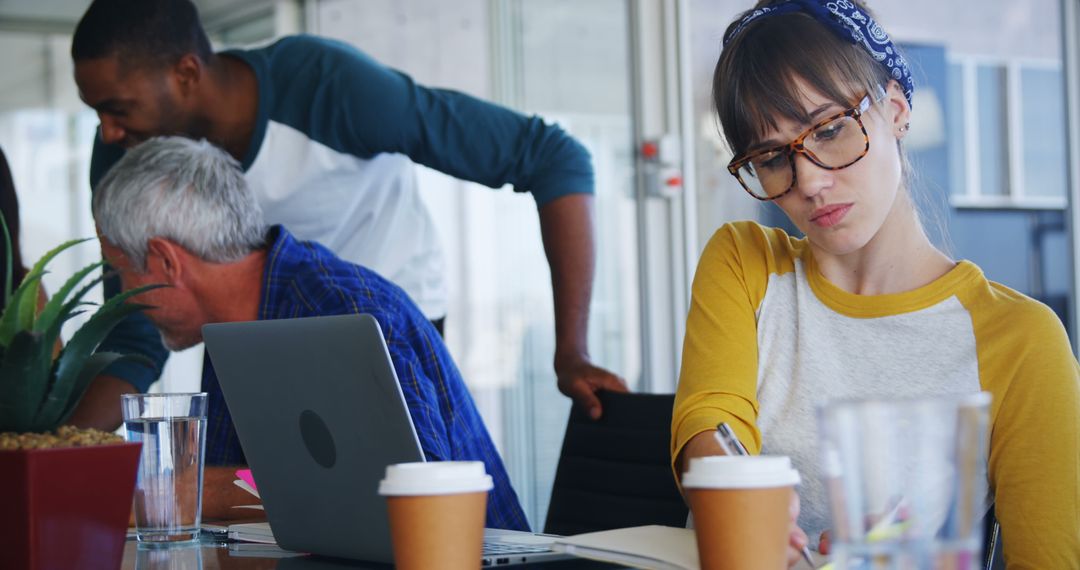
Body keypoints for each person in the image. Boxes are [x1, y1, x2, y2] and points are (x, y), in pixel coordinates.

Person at [67, 0, 625, 430]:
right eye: (97, 113)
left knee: (378, 507)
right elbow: (138, 330)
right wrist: (53, 447)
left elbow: (553, 158)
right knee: (255, 509)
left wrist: (571, 352)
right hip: (258, 341)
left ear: (186, 73)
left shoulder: (325, 88)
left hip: (389, 330)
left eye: (118, 109)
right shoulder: (123, 154)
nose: (108, 133)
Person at [670, 1, 1079, 567]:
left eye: (831, 129)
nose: (809, 181)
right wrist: (735, 495)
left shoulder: (1020, 339)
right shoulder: (746, 264)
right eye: (771, 158)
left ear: (895, 109)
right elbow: (708, 422)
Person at [93, 136, 529, 530]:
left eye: (121, 272)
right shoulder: (230, 331)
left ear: (166, 261)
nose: (125, 297)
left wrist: (188, 492)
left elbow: (416, 491)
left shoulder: (344, 311)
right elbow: (249, 490)